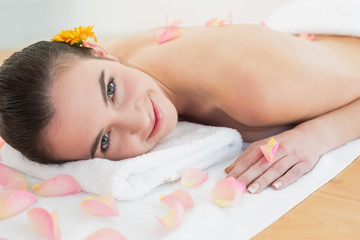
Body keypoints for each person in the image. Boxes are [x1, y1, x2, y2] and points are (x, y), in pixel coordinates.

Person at [0, 24, 360, 194]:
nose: (138, 120)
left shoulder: (257, 87)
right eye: (105, 140)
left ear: (97, 50)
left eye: (111, 90)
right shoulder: (104, 62)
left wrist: (317, 135)